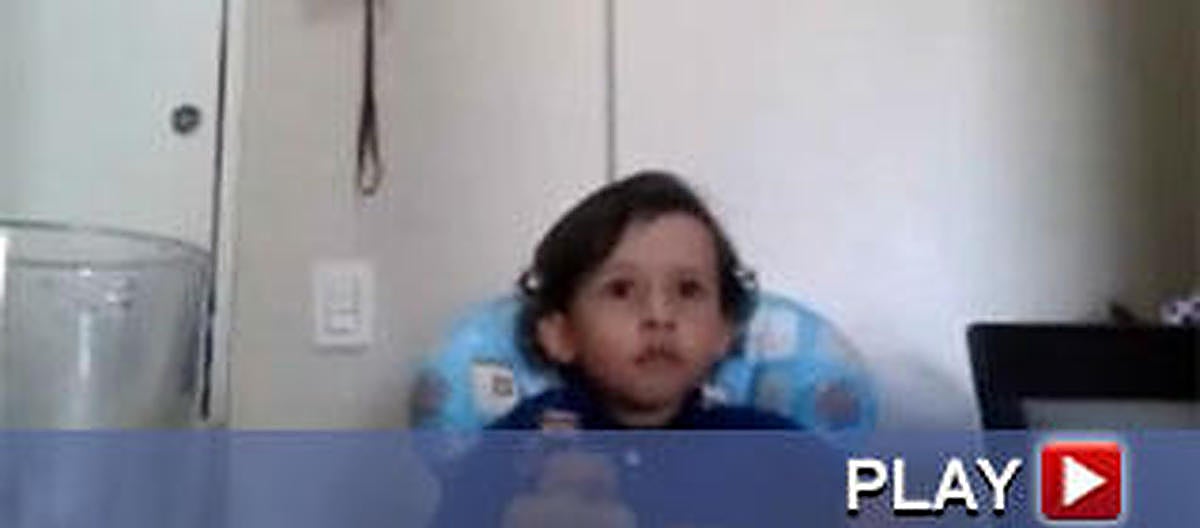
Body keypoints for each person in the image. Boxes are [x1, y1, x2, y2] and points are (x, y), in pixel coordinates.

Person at [492, 170, 796, 430]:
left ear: (724, 331)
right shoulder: (527, 440)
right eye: (621, 290)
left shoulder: (763, 445)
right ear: (561, 335)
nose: (660, 315)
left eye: (688, 290)